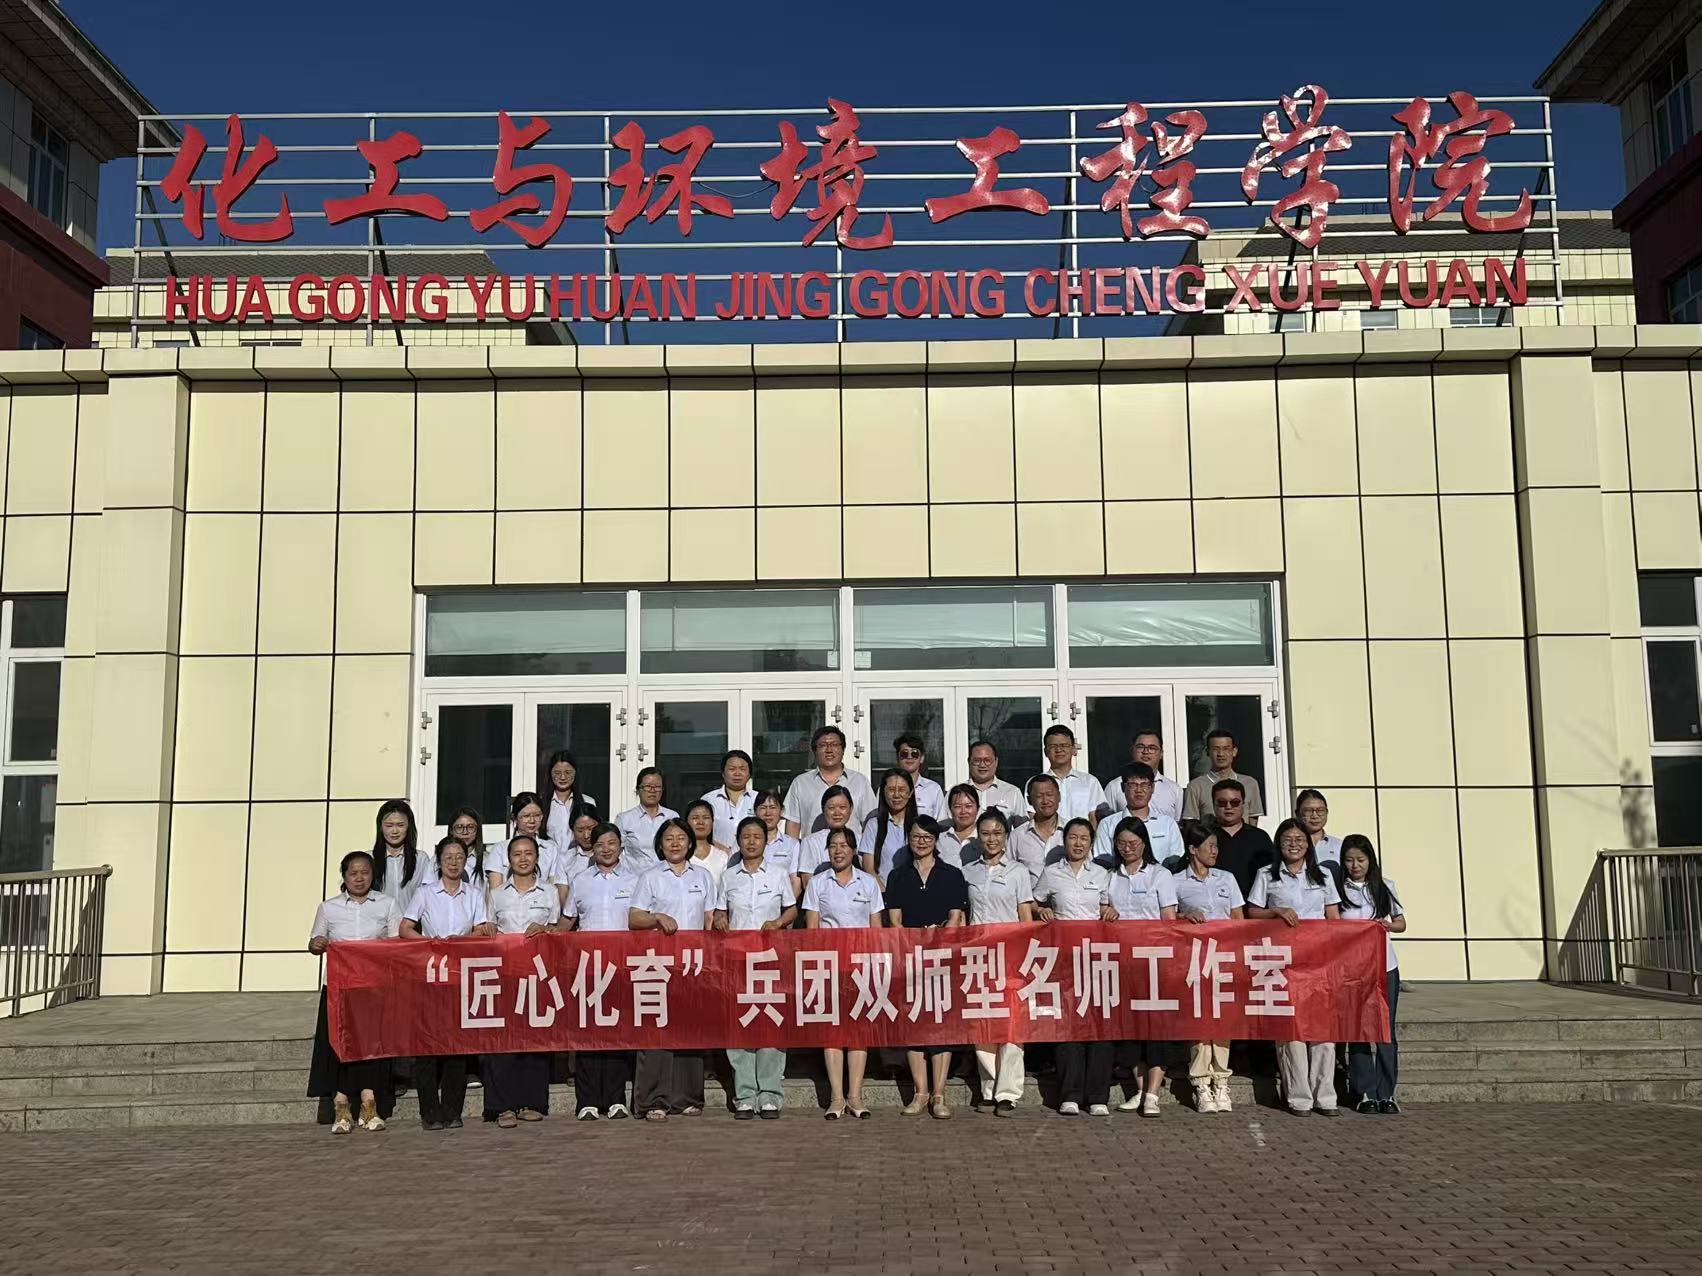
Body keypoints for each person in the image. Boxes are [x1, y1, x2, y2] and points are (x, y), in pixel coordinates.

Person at [1247, 818, 1343, 1116]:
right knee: (1291, 1031)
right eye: (1287, 839)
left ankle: (1325, 1096)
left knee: (1323, 1031)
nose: (1294, 844)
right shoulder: (1267, 874)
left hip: (1318, 962)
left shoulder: (1323, 875)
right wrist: (1275, 912)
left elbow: (1333, 918)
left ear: (1308, 844)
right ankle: (1299, 1097)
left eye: (1299, 839)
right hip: (1282, 963)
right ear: (1279, 843)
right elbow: (1252, 912)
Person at [400, 837, 495, 1130]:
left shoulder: (474, 894)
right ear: (439, 861)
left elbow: (483, 929)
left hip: (461, 975)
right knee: (427, 1045)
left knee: (457, 1045)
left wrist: (461, 941)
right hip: (431, 975)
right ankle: (430, 1111)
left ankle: (453, 1110)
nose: (453, 863)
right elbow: (405, 928)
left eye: (459, 857)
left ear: (466, 861)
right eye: (448, 857)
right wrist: (429, 943)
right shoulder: (425, 893)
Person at [628, 817, 716, 1121]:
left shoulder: (703, 876)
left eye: (681, 838)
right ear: (660, 844)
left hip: (693, 964)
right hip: (658, 964)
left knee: (690, 1030)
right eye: (669, 838)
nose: (675, 843)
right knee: (656, 1032)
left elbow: (709, 919)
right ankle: (653, 1100)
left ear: (690, 842)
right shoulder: (650, 877)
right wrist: (656, 918)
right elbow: (634, 917)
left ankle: (687, 1097)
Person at [307, 850, 401, 1133]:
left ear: (373, 876)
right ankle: (341, 1104)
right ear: (344, 876)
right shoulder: (329, 908)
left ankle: (369, 1102)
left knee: (372, 1045)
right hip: (339, 988)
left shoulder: (387, 904)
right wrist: (318, 944)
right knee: (338, 1045)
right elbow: (314, 942)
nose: (359, 878)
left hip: (373, 988)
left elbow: (397, 945)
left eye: (365, 873)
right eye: (353, 873)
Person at [884, 814, 969, 1120]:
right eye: (916, 836)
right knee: (914, 1024)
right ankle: (920, 1092)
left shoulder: (951, 875)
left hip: (943, 959)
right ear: (908, 839)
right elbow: (894, 921)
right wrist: (913, 941)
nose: (921, 842)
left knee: (941, 1025)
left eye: (927, 837)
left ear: (935, 841)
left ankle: (939, 1093)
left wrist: (939, 936)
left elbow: (956, 918)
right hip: (909, 959)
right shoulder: (898, 876)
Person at [714, 816, 798, 1119]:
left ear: (765, 841)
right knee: (740, 1025)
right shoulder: (728, 876)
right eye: (746, 836)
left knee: (771, 1022)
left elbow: (791, 909)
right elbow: (720, 912)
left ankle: (771, 1094)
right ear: (738, 841)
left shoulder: (778, 874)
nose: (751, 841)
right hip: (737, 960)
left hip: (770, 959)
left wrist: (778, 922)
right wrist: (720, 919)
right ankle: (745, 1094)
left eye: (757, 836)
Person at [1033, 819, 1115, 1116]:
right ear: (1064, 841)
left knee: (1099, 1026)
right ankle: (1070, 1093)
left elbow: (1106, 907)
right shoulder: (1051, 873)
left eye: (1084, 838)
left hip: (1096, 959)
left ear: (1091, 843)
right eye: (1073, 837)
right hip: (1064, 960)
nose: (1078, 843)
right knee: (1068, 1025)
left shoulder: (1102, 874)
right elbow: (1034, 902)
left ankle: (1098, 1096)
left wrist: (1109, 910)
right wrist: (1041, 910)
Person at [802, 824, 885, 1120]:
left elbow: (876, 929)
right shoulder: (818, 883)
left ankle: (855, 1096)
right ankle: (836, 1097)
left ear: (853, 850)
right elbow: (812, 929)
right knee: (833, 1031)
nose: (838, 851)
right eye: (833, 846)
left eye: (844, 846)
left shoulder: (868, 883)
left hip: (861, 966)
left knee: (859, 1031)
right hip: (830, 966)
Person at [1104, 817, 1180, 1117]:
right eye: (1122, 843)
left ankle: (1153, 1094)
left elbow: (1169, 919)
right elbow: (1101, 909)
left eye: (1133, 843)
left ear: (1144, 844)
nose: (1128, 849)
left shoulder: (1160, 875)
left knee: (1156, 1030)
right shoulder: (1111, 876)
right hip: (1122, 963)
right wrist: (1106, 910)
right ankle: (1139, 1090)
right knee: (1130, 1030)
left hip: (1155, 962)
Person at [562, 822, 639, 1119]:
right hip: (589, 967)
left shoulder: (635, 879)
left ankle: (616, 1098)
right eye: (599, 844)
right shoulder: (580, 880)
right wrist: (546, 933)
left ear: (621, 845)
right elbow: (568, 920)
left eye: (611, 843)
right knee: (587, 1033)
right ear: (591, 849)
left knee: (618, 1032)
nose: (606, 849)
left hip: (621, 966)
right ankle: (588, 1101)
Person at [961, 808, 1034, 1116]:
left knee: (1012, 1026)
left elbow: (1025, 917)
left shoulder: (1018, 872)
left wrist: (1027, 959)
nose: (991, 839)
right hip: (978, 958)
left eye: (997, 833)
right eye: (986, 833)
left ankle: (1008, 1092)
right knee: (983, 1024)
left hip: (1010, 957)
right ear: (978, 836)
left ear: (1006, 837)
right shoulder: (968, 872)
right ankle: (989, 1088)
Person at [483, 833, 559, 1128]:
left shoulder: (550, 892)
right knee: (502, 1039)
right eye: (517, 854)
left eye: (529, 853)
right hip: (504, 973)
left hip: (538, 972)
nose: (523, 859)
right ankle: (501, 1106)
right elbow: (487, 928)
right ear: (509, 860)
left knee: (534, 1037)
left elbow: (557, 931)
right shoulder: (496, 894)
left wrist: (546, 930)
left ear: (537, 858)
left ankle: (532, 1101)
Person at [1172, 820, 1245, 1113]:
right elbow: (1167, 919)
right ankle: (1201, 1083)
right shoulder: (1176, 881)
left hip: (1225, 957)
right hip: (1194, 960)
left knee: (1223, 1020)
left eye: (1216, 846)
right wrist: (1185, 916)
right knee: (1200, 1021)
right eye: (1210, 846)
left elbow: (1238, 918)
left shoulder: (1227, 879)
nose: (1215, 851)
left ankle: (1221, 1080)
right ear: (1193, 849)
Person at [1339, 833, 1405, 1115]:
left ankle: (1386, 1093)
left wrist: (1386, 925)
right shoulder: (1337, 889)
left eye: (1361, 860)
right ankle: (1364, 1092)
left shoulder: (1383, 886)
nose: (1355, 865)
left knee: (1385, 1029)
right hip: (1352, 970)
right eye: (1349, 860)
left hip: (1383, 966)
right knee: (1358, 1028)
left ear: (1370, 861)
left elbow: (1401, 922)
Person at [783, 726, 875, 838]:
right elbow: (792, 826)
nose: (829, 750)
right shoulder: (800, 783)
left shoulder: (860, 781)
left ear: (843, 750)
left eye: (835, 745)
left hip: (851, 849)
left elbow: (871, 824)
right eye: (823, 745)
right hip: (813, 848)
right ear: (815, 751)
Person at [1093, 764, 1183, 867]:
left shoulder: (1167, 824)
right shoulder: (1107, 824)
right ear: (1123, 787)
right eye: (1133, 785)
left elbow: (1176, 860)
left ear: (1152, 788)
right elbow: (1103, 863)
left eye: (1144, 785)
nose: (1139, 790)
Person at [487, 792, 567, 901]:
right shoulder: (500, 849)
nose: (532, 821)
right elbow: (495, 892)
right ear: (515, 818)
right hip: (508, 906)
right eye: (526, 816)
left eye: (537, 815)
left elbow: (553, 887)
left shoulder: (550, 848)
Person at [1207, 779, 1274, 897]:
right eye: (1222, 802)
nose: (1228, 807)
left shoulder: (1259, 837)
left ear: (1243, 804)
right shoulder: (1203, 837)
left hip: (1253, 902)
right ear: (1213, 804)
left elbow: (1271, 874)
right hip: (1213, 902)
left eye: (1234, 802)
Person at [1182, 729, 1265, 824]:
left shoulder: (1250, 783)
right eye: (1215, 749)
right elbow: (1191, 824)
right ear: (1207, 752)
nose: (1221, 754)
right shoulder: (1195, 786)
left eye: (1226, 749)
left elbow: (1253, 820)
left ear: (1234, 751)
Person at [1102, 730, 1184, 823]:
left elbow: (1178, 823)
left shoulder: (1174, 789)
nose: (1146, 752)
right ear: (1132, 751)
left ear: (1161, 753)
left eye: (1152, 748)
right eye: (1140, 747)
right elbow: (1108, 822)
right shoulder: (1114, 787)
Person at [791, 784, 857, 890]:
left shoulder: (859, 838)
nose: (837, 813)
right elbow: (808, 884)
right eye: (831, 808)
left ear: (851, 809)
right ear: (823, 809)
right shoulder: (810, 842)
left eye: (842, 807)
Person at [858, 768, 916, 884]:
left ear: (910, 793)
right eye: (891, 790)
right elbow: (869, 868)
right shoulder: (874, 825)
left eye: (901, 790)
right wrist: (884, 892)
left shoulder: (919, 824)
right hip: (882, 891)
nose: (896, 795)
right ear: (883, 792)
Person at [368, 799, 426, 914]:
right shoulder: (369, 859)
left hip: (411, 922)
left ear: (409, 826)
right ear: (381, 827)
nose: (395, 831)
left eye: (400, 825)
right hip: (379, 923)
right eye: (389, 825)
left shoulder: (421, 858)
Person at [616, 767, 679, 865]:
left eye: (657, 787)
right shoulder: (624, 819)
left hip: (667, 873)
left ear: (662, 790)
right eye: (647, 786)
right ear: (638, 789)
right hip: (636, 874)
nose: (652, 790)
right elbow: (616, 852)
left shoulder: (672, 816)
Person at [1043, 725, 1102, 824]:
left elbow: (1095, 818)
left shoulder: (1090, 781)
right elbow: (1032, 817)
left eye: (1064, 745)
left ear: (1074, 749)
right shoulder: (1037, 784)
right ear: (1045, 751)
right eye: (1053, 746)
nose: (1059, 750)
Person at [1010, 774, 1063, 876]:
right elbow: (1008, 872)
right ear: (1029, 800)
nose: (1045, 801)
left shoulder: (1071, 832)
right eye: (1039, 796)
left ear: (1059, 796)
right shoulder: (1017, 836)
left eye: (1049, 795)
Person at [544, 749, 598, 848]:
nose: (563, 777)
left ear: (575, 773)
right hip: (549, 857)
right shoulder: (542, 803)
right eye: (557, 773)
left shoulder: (588, 801)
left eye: (568, 772)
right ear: (550, 774)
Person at [703, 750, 756, 847]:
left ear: (749, 774)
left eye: (742, 769)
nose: (737, 773)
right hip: (717, 854)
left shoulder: (758, 799)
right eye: (732, 769)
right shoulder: (708, 800)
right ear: (723, 773)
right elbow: (700, 833)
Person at [967, 740, 1028, 821]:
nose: (982, 765)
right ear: (969, 762)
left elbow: (1022, 827)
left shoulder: (1012, 792)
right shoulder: (957, 793)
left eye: (987, 760)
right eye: (977, 760)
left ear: (996, 762)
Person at [893, 733, 948, 821]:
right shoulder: (886, 788)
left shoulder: (934, 789)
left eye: (914, 753)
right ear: (897, 758)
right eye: (904, 753)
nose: (909, 757)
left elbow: (941, 823)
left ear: (922, 758)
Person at [1295, 788, 1344, 875]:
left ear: (1327, 812)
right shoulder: (1291, 846)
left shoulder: (1340, 846)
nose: (1315, 816)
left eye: (1320, 810)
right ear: (1297, 814)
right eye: (1308, 811)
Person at [682, 798, 731, 883]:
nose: (701, 822)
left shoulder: (722, 857)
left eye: (706, 818)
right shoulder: (681, 856)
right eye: (695, 818)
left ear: (712, 822)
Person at [752, 789, 799, 876]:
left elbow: (794, 879)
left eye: (773, 807)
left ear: (781, 811)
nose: (768, 813)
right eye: (763, 807)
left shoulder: (792, 844)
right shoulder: (745, 842)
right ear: (755, 811)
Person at [938, 783, 983, 865]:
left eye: (968, 806)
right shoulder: (940, 840)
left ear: (977, 808)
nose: (963, 811)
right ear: (950, 809)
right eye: (957, 806)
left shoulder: (984, 839)